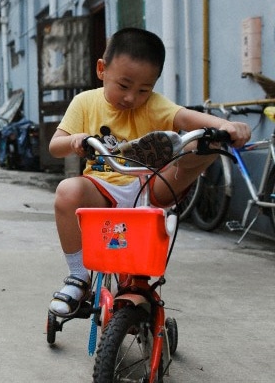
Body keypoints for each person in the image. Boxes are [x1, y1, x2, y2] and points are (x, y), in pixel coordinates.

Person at [48, 28, 251, 317]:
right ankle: (79, 277)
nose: (132, 97)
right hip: (102, 187)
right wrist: (75, 140)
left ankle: (211, 147)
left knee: (204, 147)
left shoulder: (157, 105)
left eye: (144, 89)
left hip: (151, 186)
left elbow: (188, 117)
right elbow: (55, 146)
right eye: (124, 85)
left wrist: (225, 127)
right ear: (102, 69)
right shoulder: (85, 102)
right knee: (67, 191)